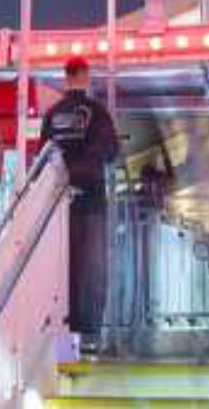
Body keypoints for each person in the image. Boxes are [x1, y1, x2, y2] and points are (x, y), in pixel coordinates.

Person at [36, 58, 122, 338]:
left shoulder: (52, 115)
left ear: (65, 77)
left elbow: (42, 159)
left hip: (57, 204)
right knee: (92, 269)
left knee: (62, 269)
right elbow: (110, 151)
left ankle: (62, 335)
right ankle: (89, 334)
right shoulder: (95, 113)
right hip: (91, 201)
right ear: (84, 76)